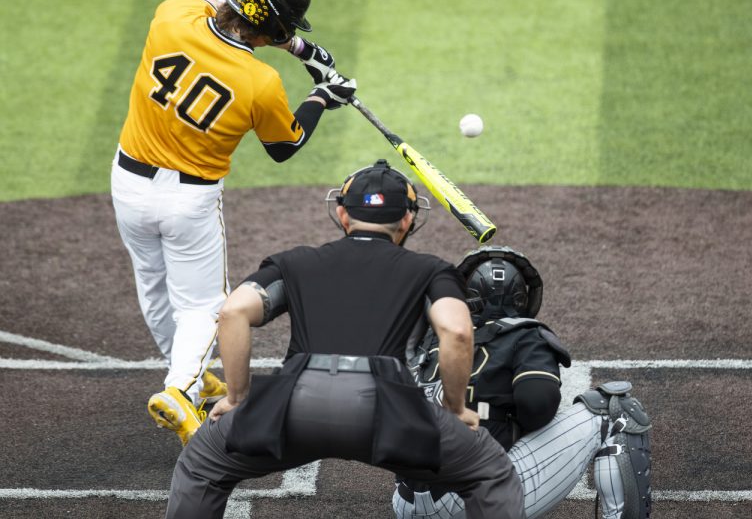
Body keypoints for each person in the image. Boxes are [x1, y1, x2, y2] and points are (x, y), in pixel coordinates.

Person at [164, 160, 527, 519]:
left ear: (342, 214)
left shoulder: (295, 262)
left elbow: (233, 312)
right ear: (407, 220)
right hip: (388, 411)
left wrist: (237, 398)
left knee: (202, 466)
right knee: (488, 472)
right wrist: (454, 408)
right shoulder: (432, 270)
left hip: (294, 407)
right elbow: (458, 331)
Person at [110, 0, 357, 446]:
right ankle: (180, 390)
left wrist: (292, 41)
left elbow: (225, 8)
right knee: (203, 305)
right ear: (274, 26)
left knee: (155, 288)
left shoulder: (172, 15)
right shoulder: (259, 83)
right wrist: (323, 94)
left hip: (127, 185)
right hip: (189, 201)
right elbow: (285, 146)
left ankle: (193, 379)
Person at [393, 245, 653, 519]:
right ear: (522, 299)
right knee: (615, 410)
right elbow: (538, 405)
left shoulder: (430, 340)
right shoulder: (525, 336)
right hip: (471, 503)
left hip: (407, 501)